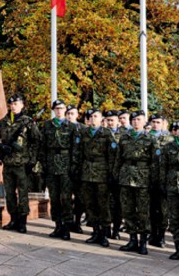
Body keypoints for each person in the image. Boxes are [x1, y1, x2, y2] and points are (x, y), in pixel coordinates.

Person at [0, 94, 41, 233]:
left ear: (22, 105)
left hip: (22, 164)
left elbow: (36, 141)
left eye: (16, 104)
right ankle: (13, 219)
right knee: (10, 193)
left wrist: (33, 160)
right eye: (11, 104)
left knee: (23, 193)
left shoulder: (28, 122)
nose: (13, 106)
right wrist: (0, 146)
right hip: (7, 164)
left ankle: (22, 222)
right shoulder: (3, 122)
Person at [115, 110, 158, 255]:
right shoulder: (124, 137)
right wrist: (116, 175)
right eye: (133, 120)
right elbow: (118, 158)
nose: (135, 122)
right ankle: (132, 239)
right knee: (128, 210)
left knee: (143, 211)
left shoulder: (151, 138)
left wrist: (153, 180)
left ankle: (143, 241)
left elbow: (154, 162)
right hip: (126, 176)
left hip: (142, 177)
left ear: (144, 121)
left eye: (138, 119)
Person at [74, 108, 116, 247]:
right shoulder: (83, 132)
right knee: (89, 204)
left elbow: (111, 156)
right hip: (87, 173)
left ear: (101, 119)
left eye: (95, 116)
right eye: (90, 116)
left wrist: (111, 174)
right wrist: (78, 170)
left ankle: (104, 233)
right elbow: (79, 153)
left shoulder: (107, 133)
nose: (92, 119)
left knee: (103, 205)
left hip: (101, 173)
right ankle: (95, 232)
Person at [39, 99, 75, 240]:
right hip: (51, 165)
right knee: (54, 198)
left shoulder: (71, 127)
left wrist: (73, 165)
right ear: (53, 110)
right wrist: (43, 164)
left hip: (66, 166)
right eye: (57, 108)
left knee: (65, 198)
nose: (59, 111)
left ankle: (66, 228)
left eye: (61, 108)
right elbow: (43, 146)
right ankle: (57, 225)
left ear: (65, 110)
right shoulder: (47, 125)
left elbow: (75, 149)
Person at [148, 113, 172, 247]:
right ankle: (152, 233)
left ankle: (161, 236)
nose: (155, 124)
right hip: (148, 177)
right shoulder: (146, 137)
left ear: (163, 123)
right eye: (153, 122)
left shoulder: (170, 139)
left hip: (164, 179)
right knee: (150, 208)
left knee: (163, 210)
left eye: (158, 122)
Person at [161, 121, 179, 260]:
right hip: (173, 185)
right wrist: (162, 184)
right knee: (175, 219)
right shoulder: (169, 147)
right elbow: (163, 166)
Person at [104, 109, 124, 240]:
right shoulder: (102, 133)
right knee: (104, 203)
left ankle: (116, 229)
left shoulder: (126, 135)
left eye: (112, 120)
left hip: (120, 174)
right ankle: (105, 230)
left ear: (118, 121)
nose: (110, 122)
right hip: (103, 172)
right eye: (108, 120)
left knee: (118, 203)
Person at [65, 104, 85, 233]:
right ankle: (67, 222)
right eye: (68, 113)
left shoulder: (83, 129)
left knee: (79, 198)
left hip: (80, 169)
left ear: (77, 115)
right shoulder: (61, 128)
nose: (70, 116)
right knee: (65, 197)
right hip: (64, 167)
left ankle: (77, 222)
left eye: (72, 113)